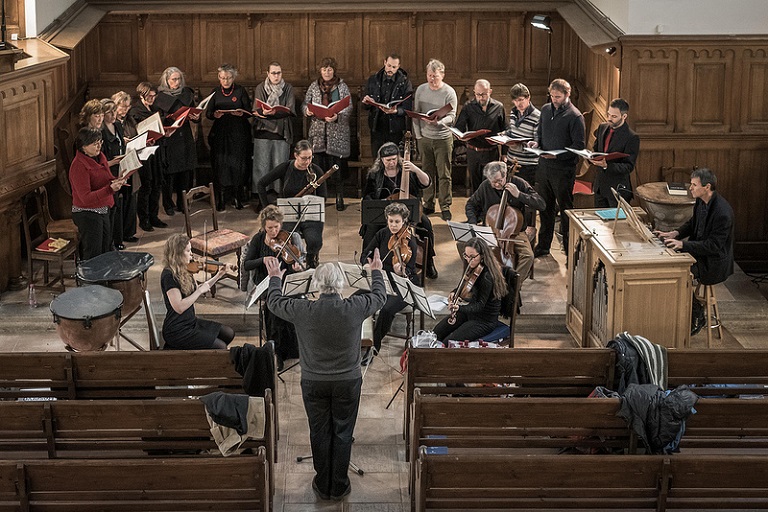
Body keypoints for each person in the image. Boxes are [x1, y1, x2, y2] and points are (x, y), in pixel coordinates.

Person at [266, 251, 386, 501]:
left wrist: (275, 277)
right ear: (341, 284)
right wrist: (376, 271)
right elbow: (379, 296)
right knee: (343, 432)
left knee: (319, 431)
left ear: (316, 285)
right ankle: (339, 485)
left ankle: (323, 484)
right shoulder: (354, 307)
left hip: (314, 381)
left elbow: (274, 302)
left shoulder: (302, 309)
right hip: (347, 381)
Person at [654, 168, 734, 335]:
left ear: (707, 187)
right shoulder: (700, 200)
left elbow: (713, 246)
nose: (690, 188)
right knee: (667, 267)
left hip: (712, 263)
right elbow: (692, 224)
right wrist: (675, 233)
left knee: (677, 273)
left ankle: (696, 313)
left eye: (694, 185)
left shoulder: (722, 213)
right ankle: (674, 315)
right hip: (699, 254)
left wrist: (683, 245)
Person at [361, 142, 438, 279]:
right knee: (371, 228)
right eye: (388, 160)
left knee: (426, 225)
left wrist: (416, 169)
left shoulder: (407, 170)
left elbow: (426, 183)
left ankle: (429, 262)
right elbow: (367, 196)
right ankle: (367, 261)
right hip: (385, 213)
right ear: (382, 160)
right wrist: (381, 203)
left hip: (408, 211)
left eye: (394, 159)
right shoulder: (374, 175)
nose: (391, 162)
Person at [528, 78, 585, 258]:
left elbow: (578, 147)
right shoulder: (545, 110)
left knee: (565, 209)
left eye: (558, 96)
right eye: (552, 96)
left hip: (563, 170)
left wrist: (558, 155)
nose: (554, 99)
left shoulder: (575, 117)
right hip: (544, 167)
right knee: (545, 208)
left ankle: (569, 249)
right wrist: (536, 142)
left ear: (567, 95)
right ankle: (544, 246)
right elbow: (541, 132)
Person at [242, 205, 303, 370]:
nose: (274, 231)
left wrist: (297, 267)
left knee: (293, 306)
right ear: (263, 227)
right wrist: (262, 260)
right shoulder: (258, 239)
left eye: (277, 227)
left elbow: (297, 265)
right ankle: (277, 352)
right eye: (270, 228)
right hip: (266, 283)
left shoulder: (289, 238)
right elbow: (247, 264)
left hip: (286, 282)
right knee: (274, 312)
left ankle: (294, 348)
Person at [465, 161, 546, 284]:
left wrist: (519, 194)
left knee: (528, 256)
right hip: (491, 231)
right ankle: (481, 284)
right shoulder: (486, 186)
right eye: (493, 182)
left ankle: (513, 285)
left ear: (505, 175)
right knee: (469, 251)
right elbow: (470, 205)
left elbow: (541, 204)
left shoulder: (518, 183)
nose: (496, 184)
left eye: (499, 181)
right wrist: (473, 223)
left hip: (515, 233)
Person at [256, 140, 327, 268]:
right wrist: (268, 208)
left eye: (310, 158)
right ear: (295, 155)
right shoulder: (286, 167)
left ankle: (311, 259)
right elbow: (261, 184)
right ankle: (288, 266)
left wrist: (313, 202)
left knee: (314, 241)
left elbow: (324, 197)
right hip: (288, 215)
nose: (307, 162)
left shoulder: (316, 171)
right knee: (284, 240)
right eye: (304, 158)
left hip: (310, 216)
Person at [360, 202, 418, 358]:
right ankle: (357, 340)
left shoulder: (410, 241)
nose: (393, 225)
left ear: (404, 220)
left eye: (397, 222)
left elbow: (411, 271)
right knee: (355, 298)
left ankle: (374, 347)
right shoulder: (383, 234)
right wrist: (367, 264)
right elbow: (366, 254)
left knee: (386, 309)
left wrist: (402, 271)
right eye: (390, 221)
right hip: (382, 279)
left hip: (403, 284)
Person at [160, 233, 236, 350]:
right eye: (188, 251)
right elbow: (179, 307)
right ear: (177, 254)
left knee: (228, 333)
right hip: (177, 330)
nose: (191, 254)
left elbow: (201, 287)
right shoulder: (169, 275)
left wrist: (219, 274)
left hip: (190, 322)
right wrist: (199, 291)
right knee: (220, 347)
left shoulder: (185, 269)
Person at [432, 237, 507, 343]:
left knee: (448, 342)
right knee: (436, 333)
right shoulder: (473, 267)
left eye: (472, 257)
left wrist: (459, 308)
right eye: (466, 256)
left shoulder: (487, 277)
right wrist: (454, 292)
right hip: (470, 314)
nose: (468, 259)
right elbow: (464, 286)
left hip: (484, 320)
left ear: (482, 256)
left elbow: (479, 306)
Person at [303, 57, 352, 211]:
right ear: (320, 71)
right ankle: (319, 198)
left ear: (334, 70)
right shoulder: (313, 86)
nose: (327, 72)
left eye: (329, 69)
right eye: (324, 69)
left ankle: (339, 196)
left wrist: (338, 115)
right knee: (318, 167)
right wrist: (307, 110)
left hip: (337, 133)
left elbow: (348, 106)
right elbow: (305, 103)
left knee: (336, 166)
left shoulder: (342, 86)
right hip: (318, 133)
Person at [68, 128, 125, 260]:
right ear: (83, 147)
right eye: (94, 143)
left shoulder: (99, 157)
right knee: (93, 253)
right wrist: (110, 189)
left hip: (103, 208)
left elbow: (105, 178)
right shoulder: (79, 166)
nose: (99, 146)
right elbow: (86, 198)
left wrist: (118, 179)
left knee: (105, 248)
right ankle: (92, 280)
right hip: (87, 213)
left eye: (100, 142)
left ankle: (104, 279)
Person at [412, 59, 458, 220]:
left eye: (435, 76)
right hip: (425, 137)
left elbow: (452, 116)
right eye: (429, 75)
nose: (432, 79)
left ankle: (445, 205)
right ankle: (428, 203)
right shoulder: (421, 90)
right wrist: (418, 136)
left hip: (443, 138)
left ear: (442, 75)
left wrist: (439, 121)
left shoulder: (449, 92)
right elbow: (416, 113)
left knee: (444, 173)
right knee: (426, 172)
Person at [206, 63, 253, 211]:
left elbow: (249, 111)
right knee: (221, 165)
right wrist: (215, 114)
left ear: (233, 78)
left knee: (238, 165)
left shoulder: (240, 91)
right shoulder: (215, 92)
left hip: (238, 132)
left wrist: (241, 113)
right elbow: (208, 113)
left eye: (228, 78)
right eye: (222, 78)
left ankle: (237, 197)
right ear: (219, 78)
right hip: (220, 133)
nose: (225, 81)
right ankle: (221, 199)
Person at [251, 61, 296, 208]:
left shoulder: (288, 88)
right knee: (261, 167)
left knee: (279, 166)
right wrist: (263, 112)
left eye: (279, 73)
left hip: (281, 132)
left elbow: (290, 109)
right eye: (273, 73)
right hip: (263, 131)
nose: (276, 76)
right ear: (268, 74)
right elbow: (255, 110)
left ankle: (278, 198)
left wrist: (275, 112)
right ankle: (261, 200)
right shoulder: (260, 88)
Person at [156, 66, 198, 216]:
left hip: (184, 135)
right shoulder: (160, 97)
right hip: (170, 137)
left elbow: (193, 111)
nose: (177, 82)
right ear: (166, 81)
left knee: (185, 172)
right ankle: (168, 204)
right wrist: (168, 119)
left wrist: (196, 117)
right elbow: (156, 118)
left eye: (179, 79)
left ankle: (183, 203)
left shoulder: (186, 93)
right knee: (169, 174)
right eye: (173, 79)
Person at [125, 81, 167, 232]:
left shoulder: (156, 109)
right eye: (149, 96)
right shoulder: (135, 111)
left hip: (156, 151)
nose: (152, 99)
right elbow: (133, 132)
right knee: (146, 185)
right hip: (143, 153)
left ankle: (154, 216)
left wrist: (165, 132)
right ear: (141, 94)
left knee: (157, 184)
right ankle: (144, 219)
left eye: (154, 96)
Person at [454, 79, 506, 193]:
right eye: (478, 94)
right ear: (474, 92)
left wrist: (504, 154)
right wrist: (462, 136)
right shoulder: (468, 106)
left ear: (490, 91)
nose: (481, 97)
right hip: (473, 152)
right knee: (476, 187)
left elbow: (504, 131)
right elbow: (459, 128)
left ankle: (489, 210)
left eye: (484, 94)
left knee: (491, 186)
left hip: (491, 152)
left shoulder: (498, 107)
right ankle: (477, 210)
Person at [503, 83, 541, 237]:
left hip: (528, 165)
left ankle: (529, 231)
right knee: (512, 198)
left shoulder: (537, 116)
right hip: (513, 162)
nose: (518, 104)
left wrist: (521, 144)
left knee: (527, 199)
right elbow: (512, 132)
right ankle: (515, 230)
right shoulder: (513, 113)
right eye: (515, 101)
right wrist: (504, 135)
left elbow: (538, 142)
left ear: (528, 98)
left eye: (521, 100)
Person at [588, 98, 640, 208]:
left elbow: (628, 166)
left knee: (615, 224)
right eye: (609, 115)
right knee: (599, 223)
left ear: (624, 116)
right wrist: (591, 157)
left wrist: (607, 166)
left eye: (614, 116)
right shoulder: (603, 127)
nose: (609, 119)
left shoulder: (631, 137)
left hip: (617, 190)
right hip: (600, 187)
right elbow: (596, 149)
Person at [363, 52, 414, 156]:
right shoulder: (373, 80)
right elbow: (365, 106)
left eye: (394, 67)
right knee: (377, 158)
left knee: (394, 158)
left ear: (399, 66)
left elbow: (408, 108)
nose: (390, 69)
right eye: (389, 65)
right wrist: (367, 102)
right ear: (385, 62)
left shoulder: (405, 82)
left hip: (395, 127)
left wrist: (396, 110)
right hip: (377, 125)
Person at [99, 99, 128, 251]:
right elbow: (100, 162)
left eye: (114, 111)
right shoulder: (101, 131)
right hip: (109, 172)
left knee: (118, 206)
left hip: (121, 168)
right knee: (111, 207)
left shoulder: (117, 125)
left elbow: (120, 141)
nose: (113, 114)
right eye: (109, 112)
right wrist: (113, 162)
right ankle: (109, 243)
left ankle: (118, 239)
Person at [111, 90, 138, 243]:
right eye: (122, 107)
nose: (125, 110)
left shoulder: (129, 120)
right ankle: (118, 237)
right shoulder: (112, 123)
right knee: (119, 202)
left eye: (127, 107)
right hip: (117, 165)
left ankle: (129, 232)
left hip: (131, 163)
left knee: (130, 199)